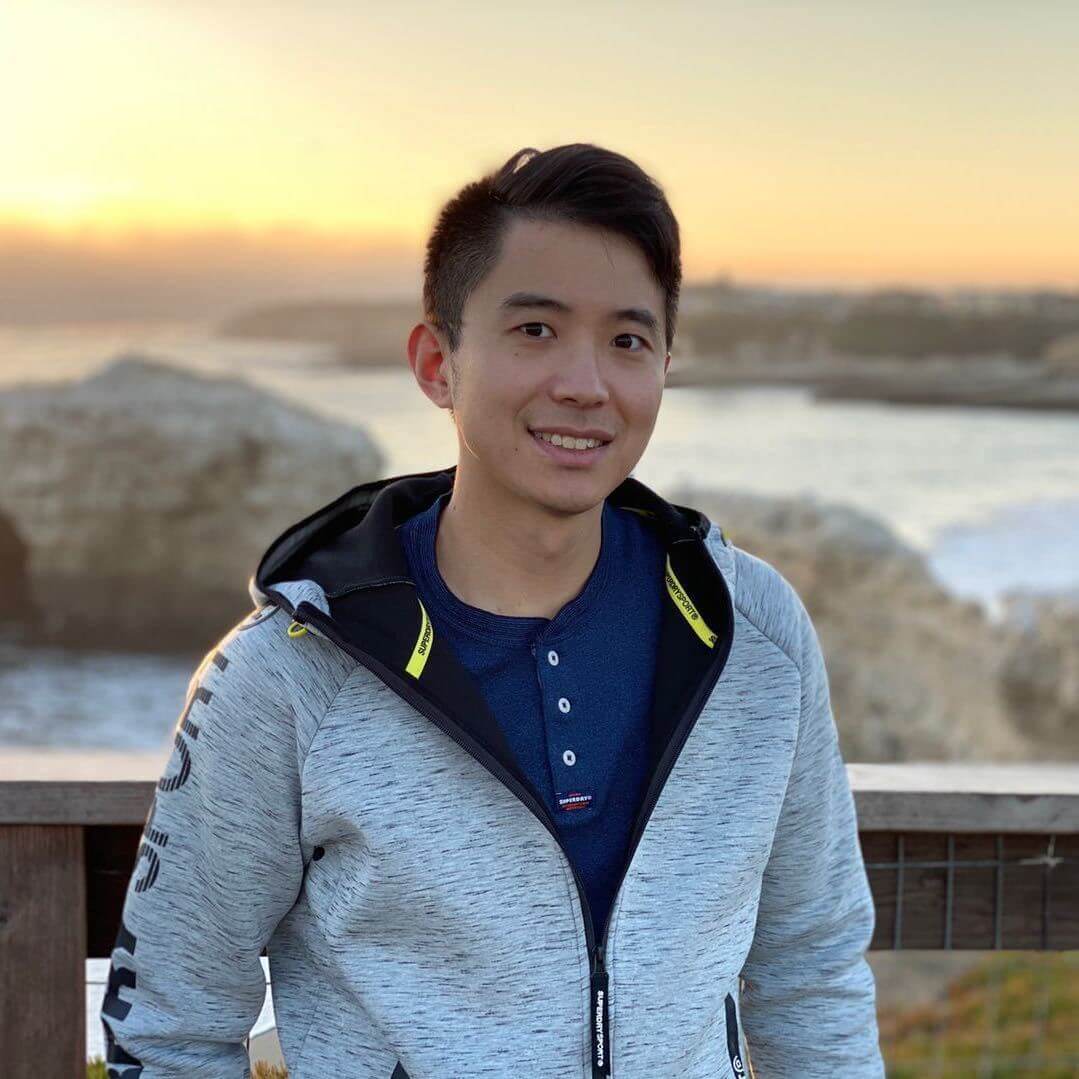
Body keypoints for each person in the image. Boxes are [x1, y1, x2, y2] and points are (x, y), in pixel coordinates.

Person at [101, 143, 884, 1077]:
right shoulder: (289, 672)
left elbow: (811, 970)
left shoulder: (752, 633)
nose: (585, 384)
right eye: (535, 330)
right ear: (438, 362)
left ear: (664, 366)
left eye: (627, 341)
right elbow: (171, 1026)